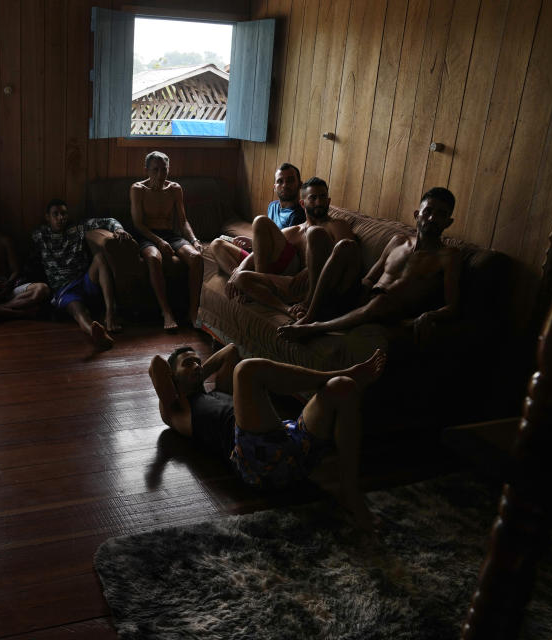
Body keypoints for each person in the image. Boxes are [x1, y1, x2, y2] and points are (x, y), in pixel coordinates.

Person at [149, 344, 386, 530]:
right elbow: (157, 363)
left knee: (342, 387)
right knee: (246, 370)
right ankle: (341, 372)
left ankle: (349, 491)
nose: (197, 365)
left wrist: (196, 373)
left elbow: (230, 350)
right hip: (257, 462)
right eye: (187, 364)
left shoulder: (220, 392)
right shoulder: (177, 411)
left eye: (198, 361)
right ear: (172, 377)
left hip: (292, 447)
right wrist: (182, 382)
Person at [278, 187, 460, 342]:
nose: (432, 218)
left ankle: (314, 327)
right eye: (428, 211)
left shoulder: (448, 256)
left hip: (391, 311)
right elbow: (371, 277)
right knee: (345, 245)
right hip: (364, 298)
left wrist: (430, 315)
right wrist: (359, 292)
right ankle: (312, 312)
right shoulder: (398, 241)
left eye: (441, 214)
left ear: (448, 222)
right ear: (417, 214)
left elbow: (453, 306)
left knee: (381, 302)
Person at [212, 177, 358, 316]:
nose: (319, 202)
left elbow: (346, 256)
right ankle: (286, 309)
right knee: (239, 275)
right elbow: (262, 251)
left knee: (265, 222)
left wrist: (312, 268)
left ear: (329, 200)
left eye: (323, 197)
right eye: (313, 198)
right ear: (302, 203)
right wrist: (237, 273)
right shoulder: (295, 231)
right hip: (290, 281)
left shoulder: (337, 225)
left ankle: (290, 306)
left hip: (317, 283)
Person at [30, 199, 133, 350]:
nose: (60, 218)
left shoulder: (77, 228)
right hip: (65, 289)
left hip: (85, 280)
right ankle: (95, 333)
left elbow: (109, 221)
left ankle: (111, 313)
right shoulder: (40, 235)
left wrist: (118, 229)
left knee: (99, 258)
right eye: (55, 214)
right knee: (79, 312)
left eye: (63, 213)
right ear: (47, 217)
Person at [130, 151, 204, 330]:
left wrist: (194, 240)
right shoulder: (138, 189)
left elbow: (183, 221)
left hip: (170, 234)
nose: (160, 174)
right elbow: (138, 224)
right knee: (154, 258)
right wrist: (159, 242)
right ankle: (167, 312)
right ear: (146, 170)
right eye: (155, 170)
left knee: (196, 258)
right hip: (147, 235)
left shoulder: (175, 189)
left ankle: (193, 311)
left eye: (164, 170)